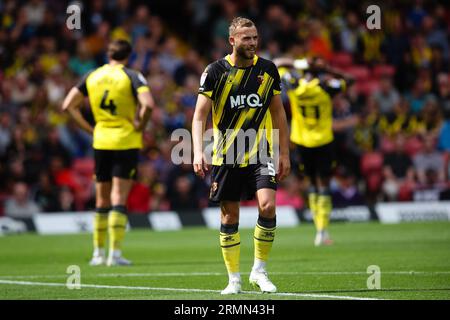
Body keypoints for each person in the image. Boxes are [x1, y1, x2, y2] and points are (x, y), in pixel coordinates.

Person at [192, 17, 290, 295]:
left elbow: (278, 112)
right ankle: (233, 278)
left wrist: (285, 153)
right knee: (229, 216)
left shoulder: (268, 70)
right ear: (232, 40)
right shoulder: (215, 71)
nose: (252, 43)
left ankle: (259, 271)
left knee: (268, 206)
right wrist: (198, 150)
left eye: (255, 37)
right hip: (226, 153)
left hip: (261, 151)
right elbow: (199, 115)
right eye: (246, 38)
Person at [62, 39, 155, 266]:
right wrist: (141, 126)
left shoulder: (92, 76)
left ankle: (97, 254)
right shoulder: (132, 76)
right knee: (118, 198)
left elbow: (67, 106)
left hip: (101, 140)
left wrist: (89, 128)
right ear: (129, 56)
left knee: (101, 198)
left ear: (108, 54)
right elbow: (149, 104)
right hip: (125, 141)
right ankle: (115, 254)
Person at [274, 56, 354, 246]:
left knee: (311, 184)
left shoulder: (293, 84)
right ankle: (322, 230)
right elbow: (350, 80)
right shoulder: (327, 87)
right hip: (323, 141)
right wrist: (328, 68)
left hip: (301, 142)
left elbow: (276, 64)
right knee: (323, 184)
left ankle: (318, 229)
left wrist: (298, 63)